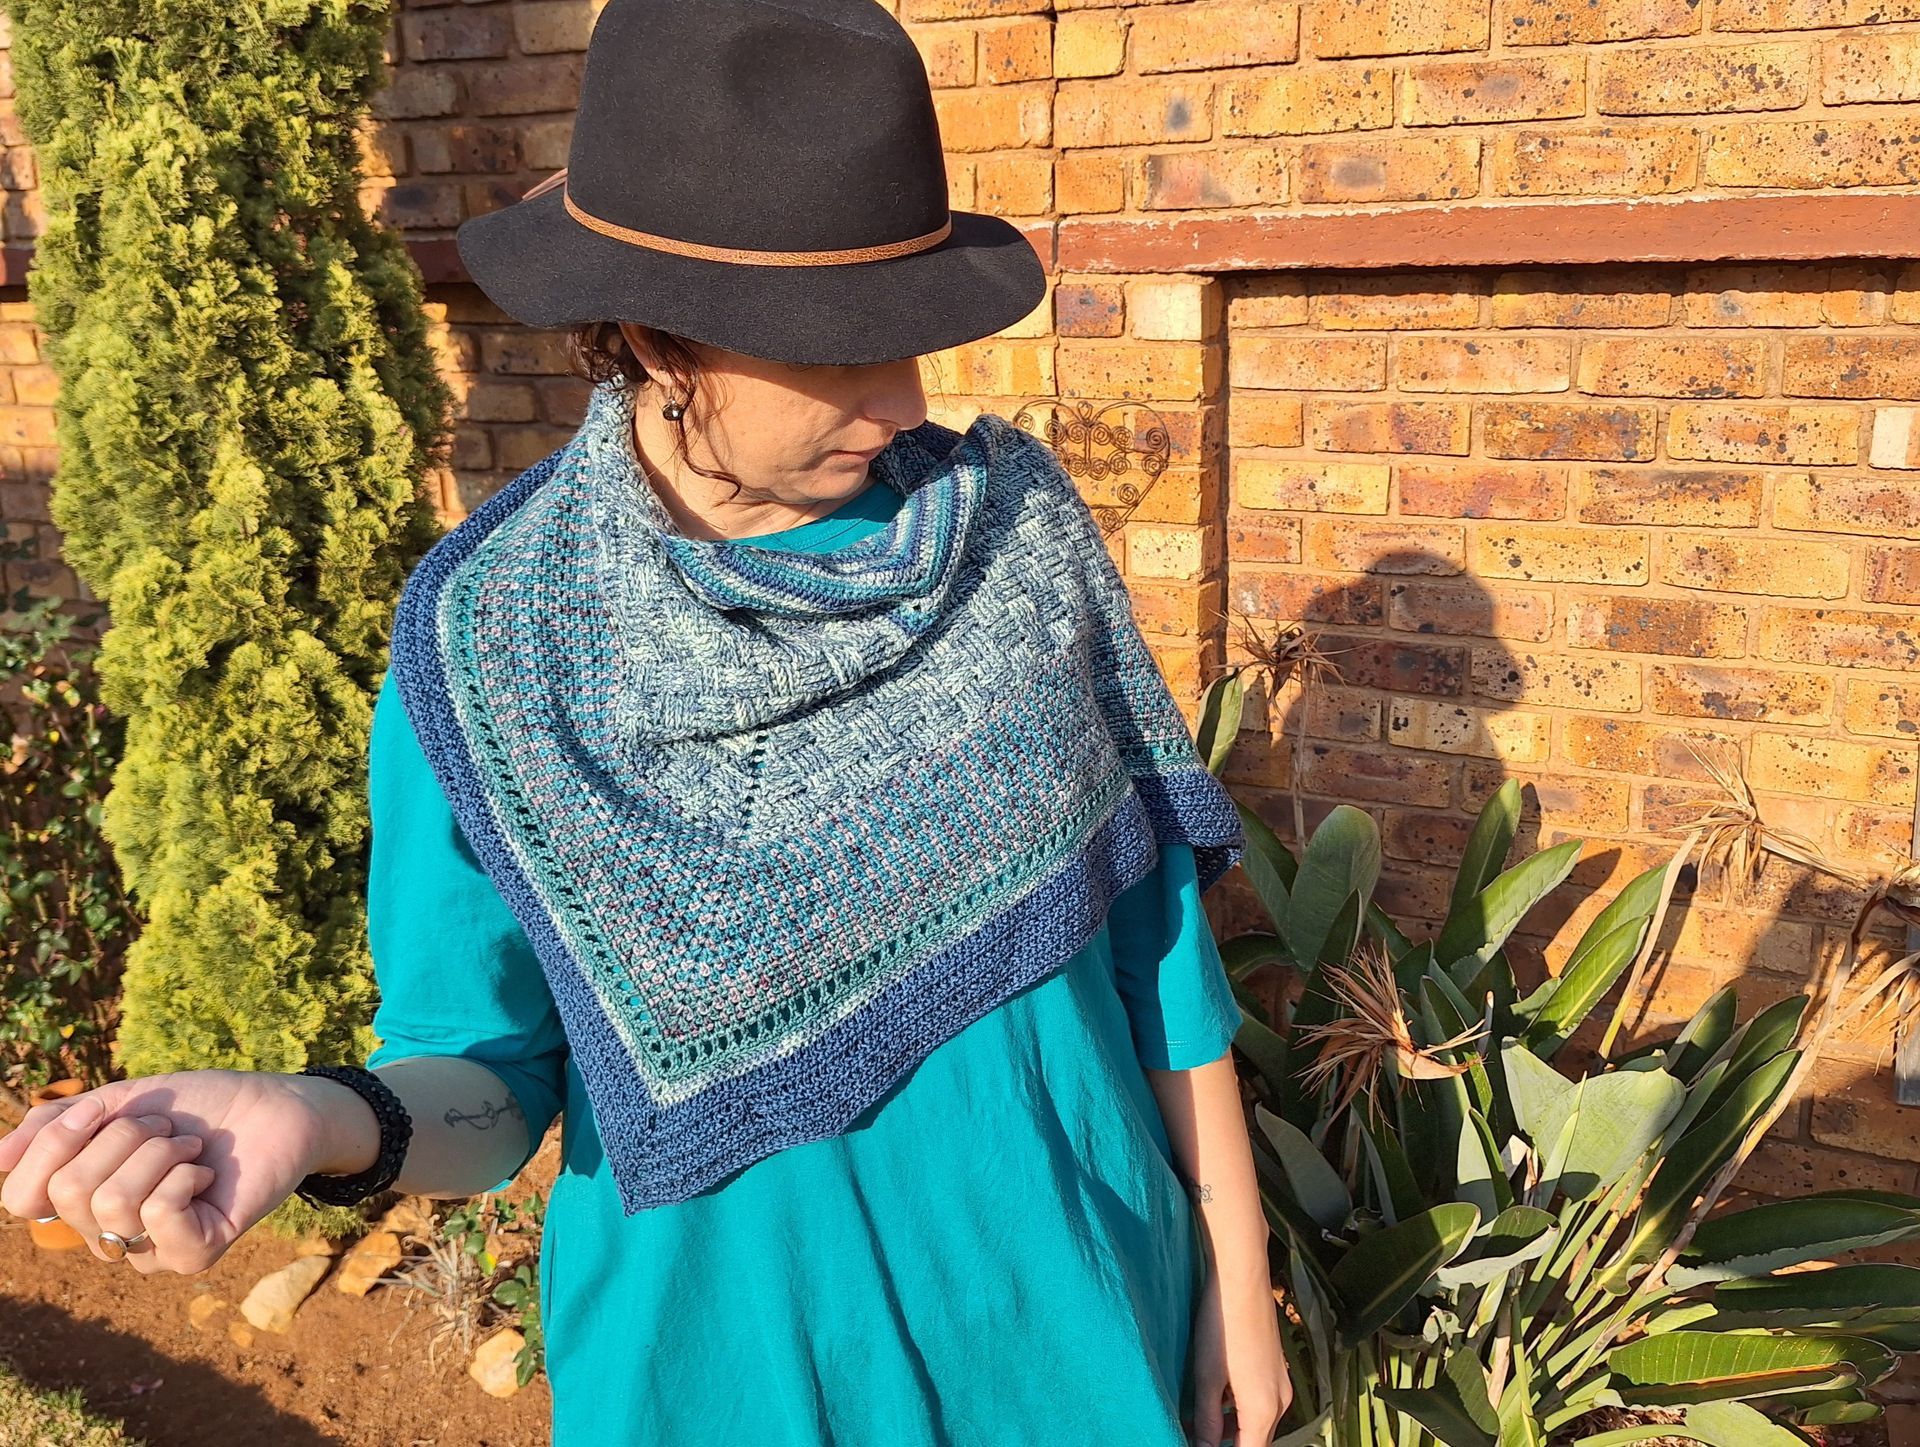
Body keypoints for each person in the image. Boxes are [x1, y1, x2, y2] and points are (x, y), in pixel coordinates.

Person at [0, 1, 1291, 1442]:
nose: (902, 397)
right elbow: (493, 1083)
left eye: (913, 335)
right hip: (724, 1379)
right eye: (839, 348)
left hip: (1069, 1328)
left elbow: (1154, 938)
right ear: (656, 336)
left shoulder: (1009, 536)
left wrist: (1237, 1276)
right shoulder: (493, 648)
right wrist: (316, 1119)